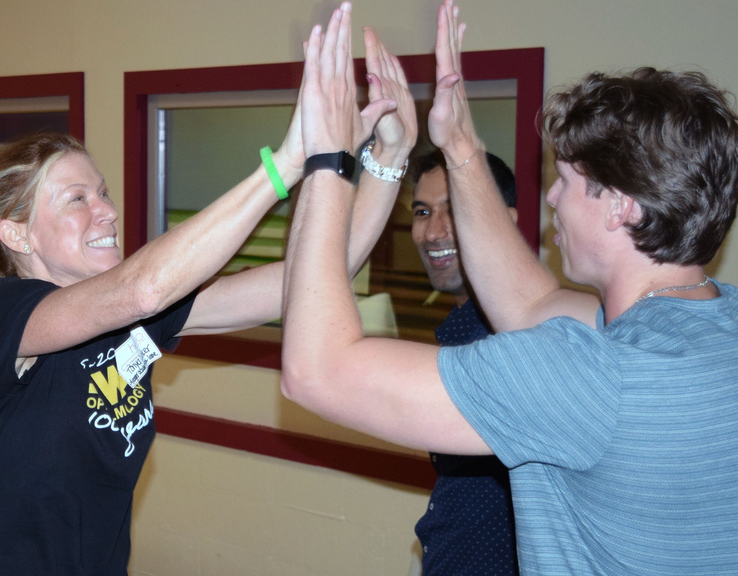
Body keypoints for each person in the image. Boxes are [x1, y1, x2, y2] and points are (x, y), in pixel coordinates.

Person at [0, 17, 418, 574]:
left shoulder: (133, 320)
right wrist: (290, 160)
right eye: (78, 199)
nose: (107, 211)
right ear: (17, 234)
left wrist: (388, 159)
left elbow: (313, 279)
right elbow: (141, 289)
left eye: (103, 192)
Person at [281, 1, 738, 574]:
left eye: (568, 182)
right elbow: (530, 302)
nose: (550, 198)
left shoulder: (592, 381)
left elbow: (315, 372)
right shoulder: (717, 323)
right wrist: (460, 145)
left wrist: (330, 157)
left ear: (620, 206)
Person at [408, 149, 519, 576]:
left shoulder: (512, 340)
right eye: (422, 211)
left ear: (505, 221)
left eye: (452, 210)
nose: (433, 232)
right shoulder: (459, 330)